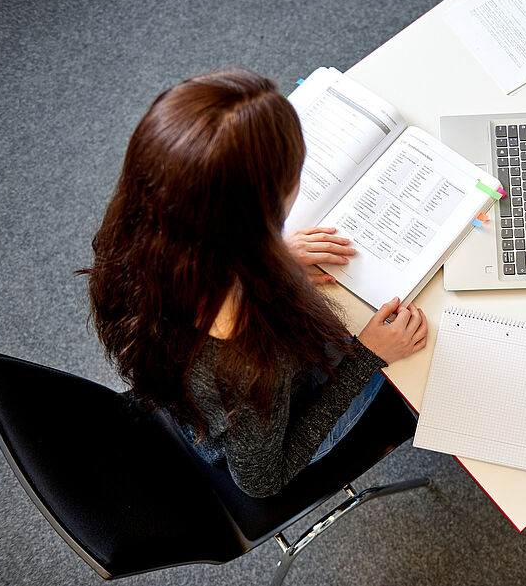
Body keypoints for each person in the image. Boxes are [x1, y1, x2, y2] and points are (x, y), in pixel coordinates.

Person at [83, 68, 428, 498]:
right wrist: (368, 357)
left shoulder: (136, 242)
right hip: (275, 419)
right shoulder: (244, 366)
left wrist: (275, 254)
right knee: (428, 349)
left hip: (208, 402)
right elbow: (262, 481)